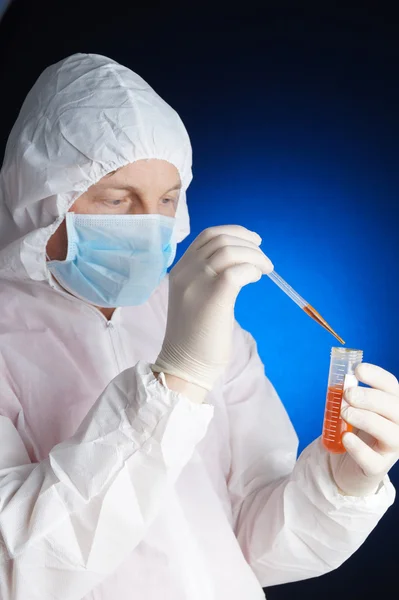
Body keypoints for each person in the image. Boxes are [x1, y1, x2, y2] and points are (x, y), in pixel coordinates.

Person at [0, 53, 397, 600]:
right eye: (117, 200)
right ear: (44, 199)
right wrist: (176, 380)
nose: (149, 225)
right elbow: (19, 565)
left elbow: (253, 537)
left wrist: (340, 485)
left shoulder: (200, 321)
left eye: (166, 200)